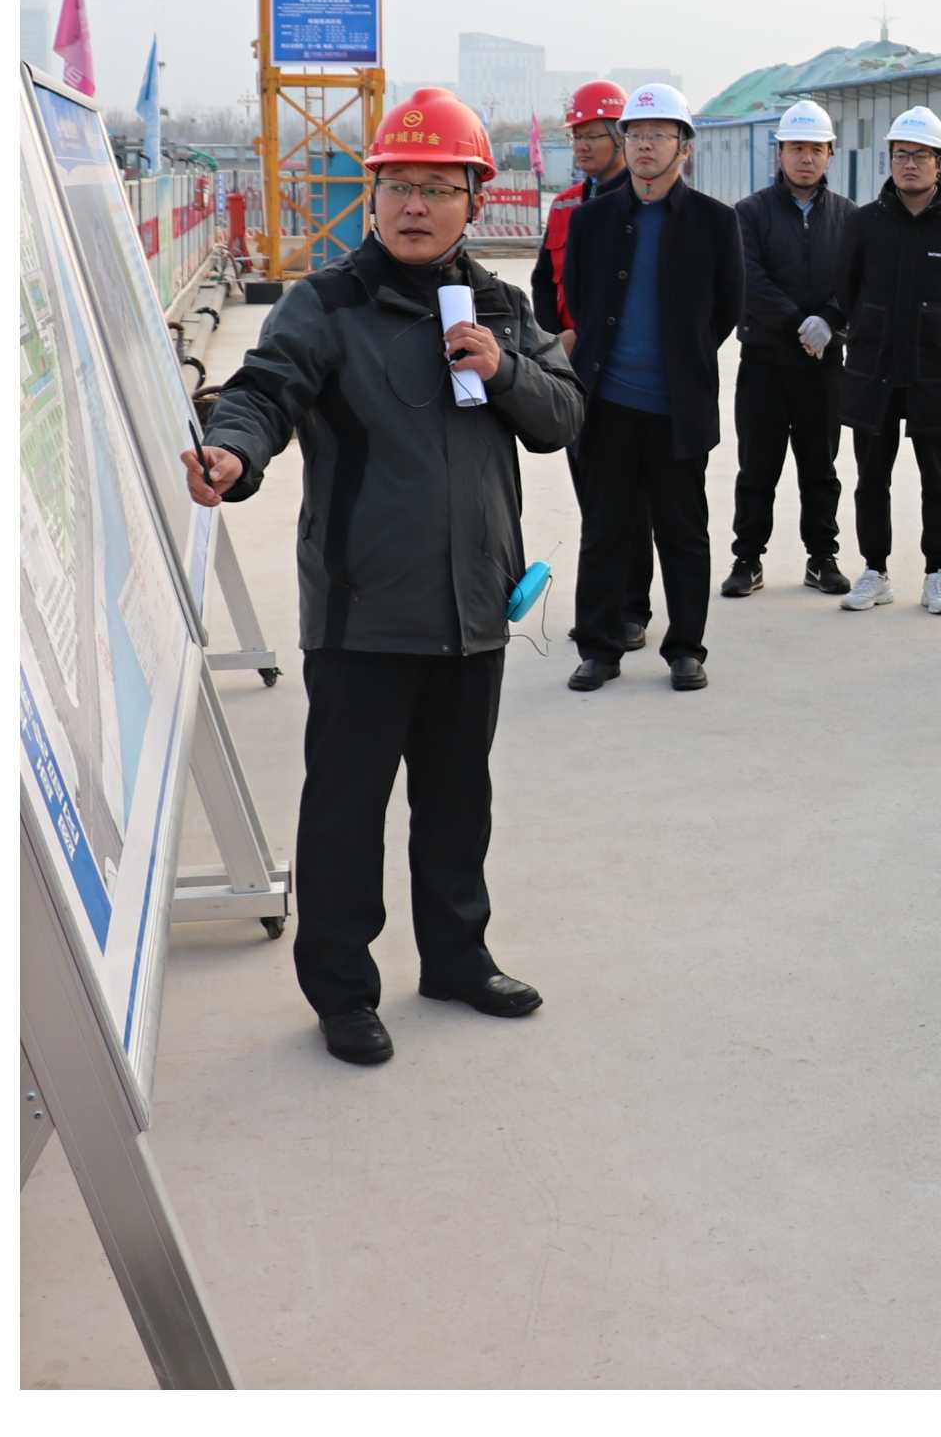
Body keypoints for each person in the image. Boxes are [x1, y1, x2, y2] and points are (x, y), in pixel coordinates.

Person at [181, 86, 579, 1070]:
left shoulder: (497, 307)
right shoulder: (327, 304)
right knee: (345, 814)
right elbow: (264, 392)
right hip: (362, 613)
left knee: (458, 803)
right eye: (398, 186)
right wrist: (233, 453)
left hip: (473, 609)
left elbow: (563, 417)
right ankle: (342, 991)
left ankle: (457, 959)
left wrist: (504, 370)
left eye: (438, 188)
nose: (415, 206)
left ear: (474, 200)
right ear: (373, 196)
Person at [559, 84, 743, 691]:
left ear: (684, 148)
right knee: (604, 531)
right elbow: (580, 298)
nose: (643, 145)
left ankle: (686, 648)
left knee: (683, 533)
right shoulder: (591, 221)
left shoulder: (715, 223)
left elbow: (727, 309)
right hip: (607, 404)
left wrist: (682, 358)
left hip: (677, 408)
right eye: (635, 134)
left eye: (658, 135)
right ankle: (599, 647)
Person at [831, 104, 941, 616]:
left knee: (938, 481)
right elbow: (846, 289)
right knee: (871, 479)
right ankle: (874, 570)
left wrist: (940, 333)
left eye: (921, 155)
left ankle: (936, 571)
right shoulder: (864, 224)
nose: (910, 164)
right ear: (890, 160)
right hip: (873, 369)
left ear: (940, 161)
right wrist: (871, 327)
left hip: (934, 372)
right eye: (901, 155)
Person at [528, 79, 641, 652]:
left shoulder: (643, 204)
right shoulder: (566, 203)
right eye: (576, 136)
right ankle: (605, 605)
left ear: (620, 137)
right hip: (572, 369)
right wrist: (553, 340)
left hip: (623, 370)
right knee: (593, 497)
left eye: (592, 135)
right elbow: (543, 282)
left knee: (628, 500)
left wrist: (588, 339)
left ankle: (630, 608)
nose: (581, 145)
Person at [724, 98, 851, 601]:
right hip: (765, 362)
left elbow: (856, 282)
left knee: (821, 467)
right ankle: (747, 559)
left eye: (815, 149)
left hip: (824, 367)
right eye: (796, 147)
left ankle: (822, 558)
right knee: (758, 466)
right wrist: (801, 322)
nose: (806, 158)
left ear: (830, 153)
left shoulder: (848, 217)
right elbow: (749, 279)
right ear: (780, 153)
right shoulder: (750, 214)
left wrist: (832, 320)